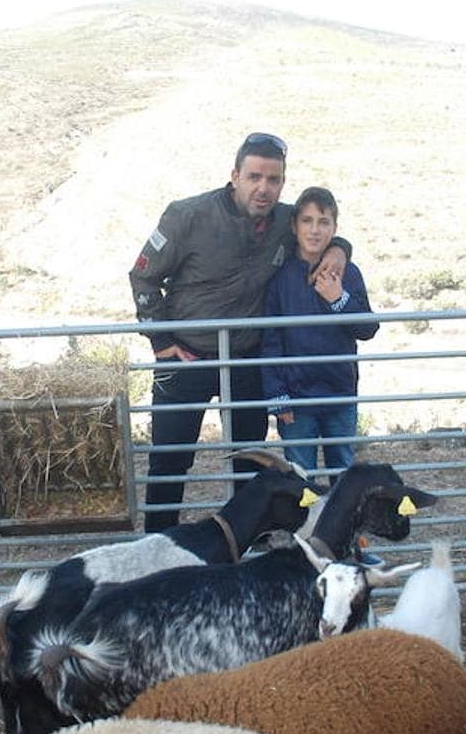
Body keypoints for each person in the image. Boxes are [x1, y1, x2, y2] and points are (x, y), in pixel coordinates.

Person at [130, 132, 347, 532]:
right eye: (254, 177)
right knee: (170, 457)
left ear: (282, 183)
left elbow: (322, 235)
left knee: (250, 457)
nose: (263, 188)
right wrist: (161, 341)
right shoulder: (186, 215)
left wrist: (340, 249)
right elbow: (142, 276)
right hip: (188, 357)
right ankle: (157, 543)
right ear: (235, 176)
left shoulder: (286, 219)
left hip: (247, 358)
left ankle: (247, 538)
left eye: (273, 179)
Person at [261, 186, 378, 475]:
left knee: (344, 474)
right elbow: (271, 341)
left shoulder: (349, 273)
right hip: (297, 398)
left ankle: (345, 522)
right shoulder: (280, 278)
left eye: (324, 222)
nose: (315, 230)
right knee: (301, 477)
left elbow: (367, 327)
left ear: (335, 228)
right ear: (294, 225)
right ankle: (308, 523)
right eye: (307, 221)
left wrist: (339, 299)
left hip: (339, 392)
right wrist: (277, 394)